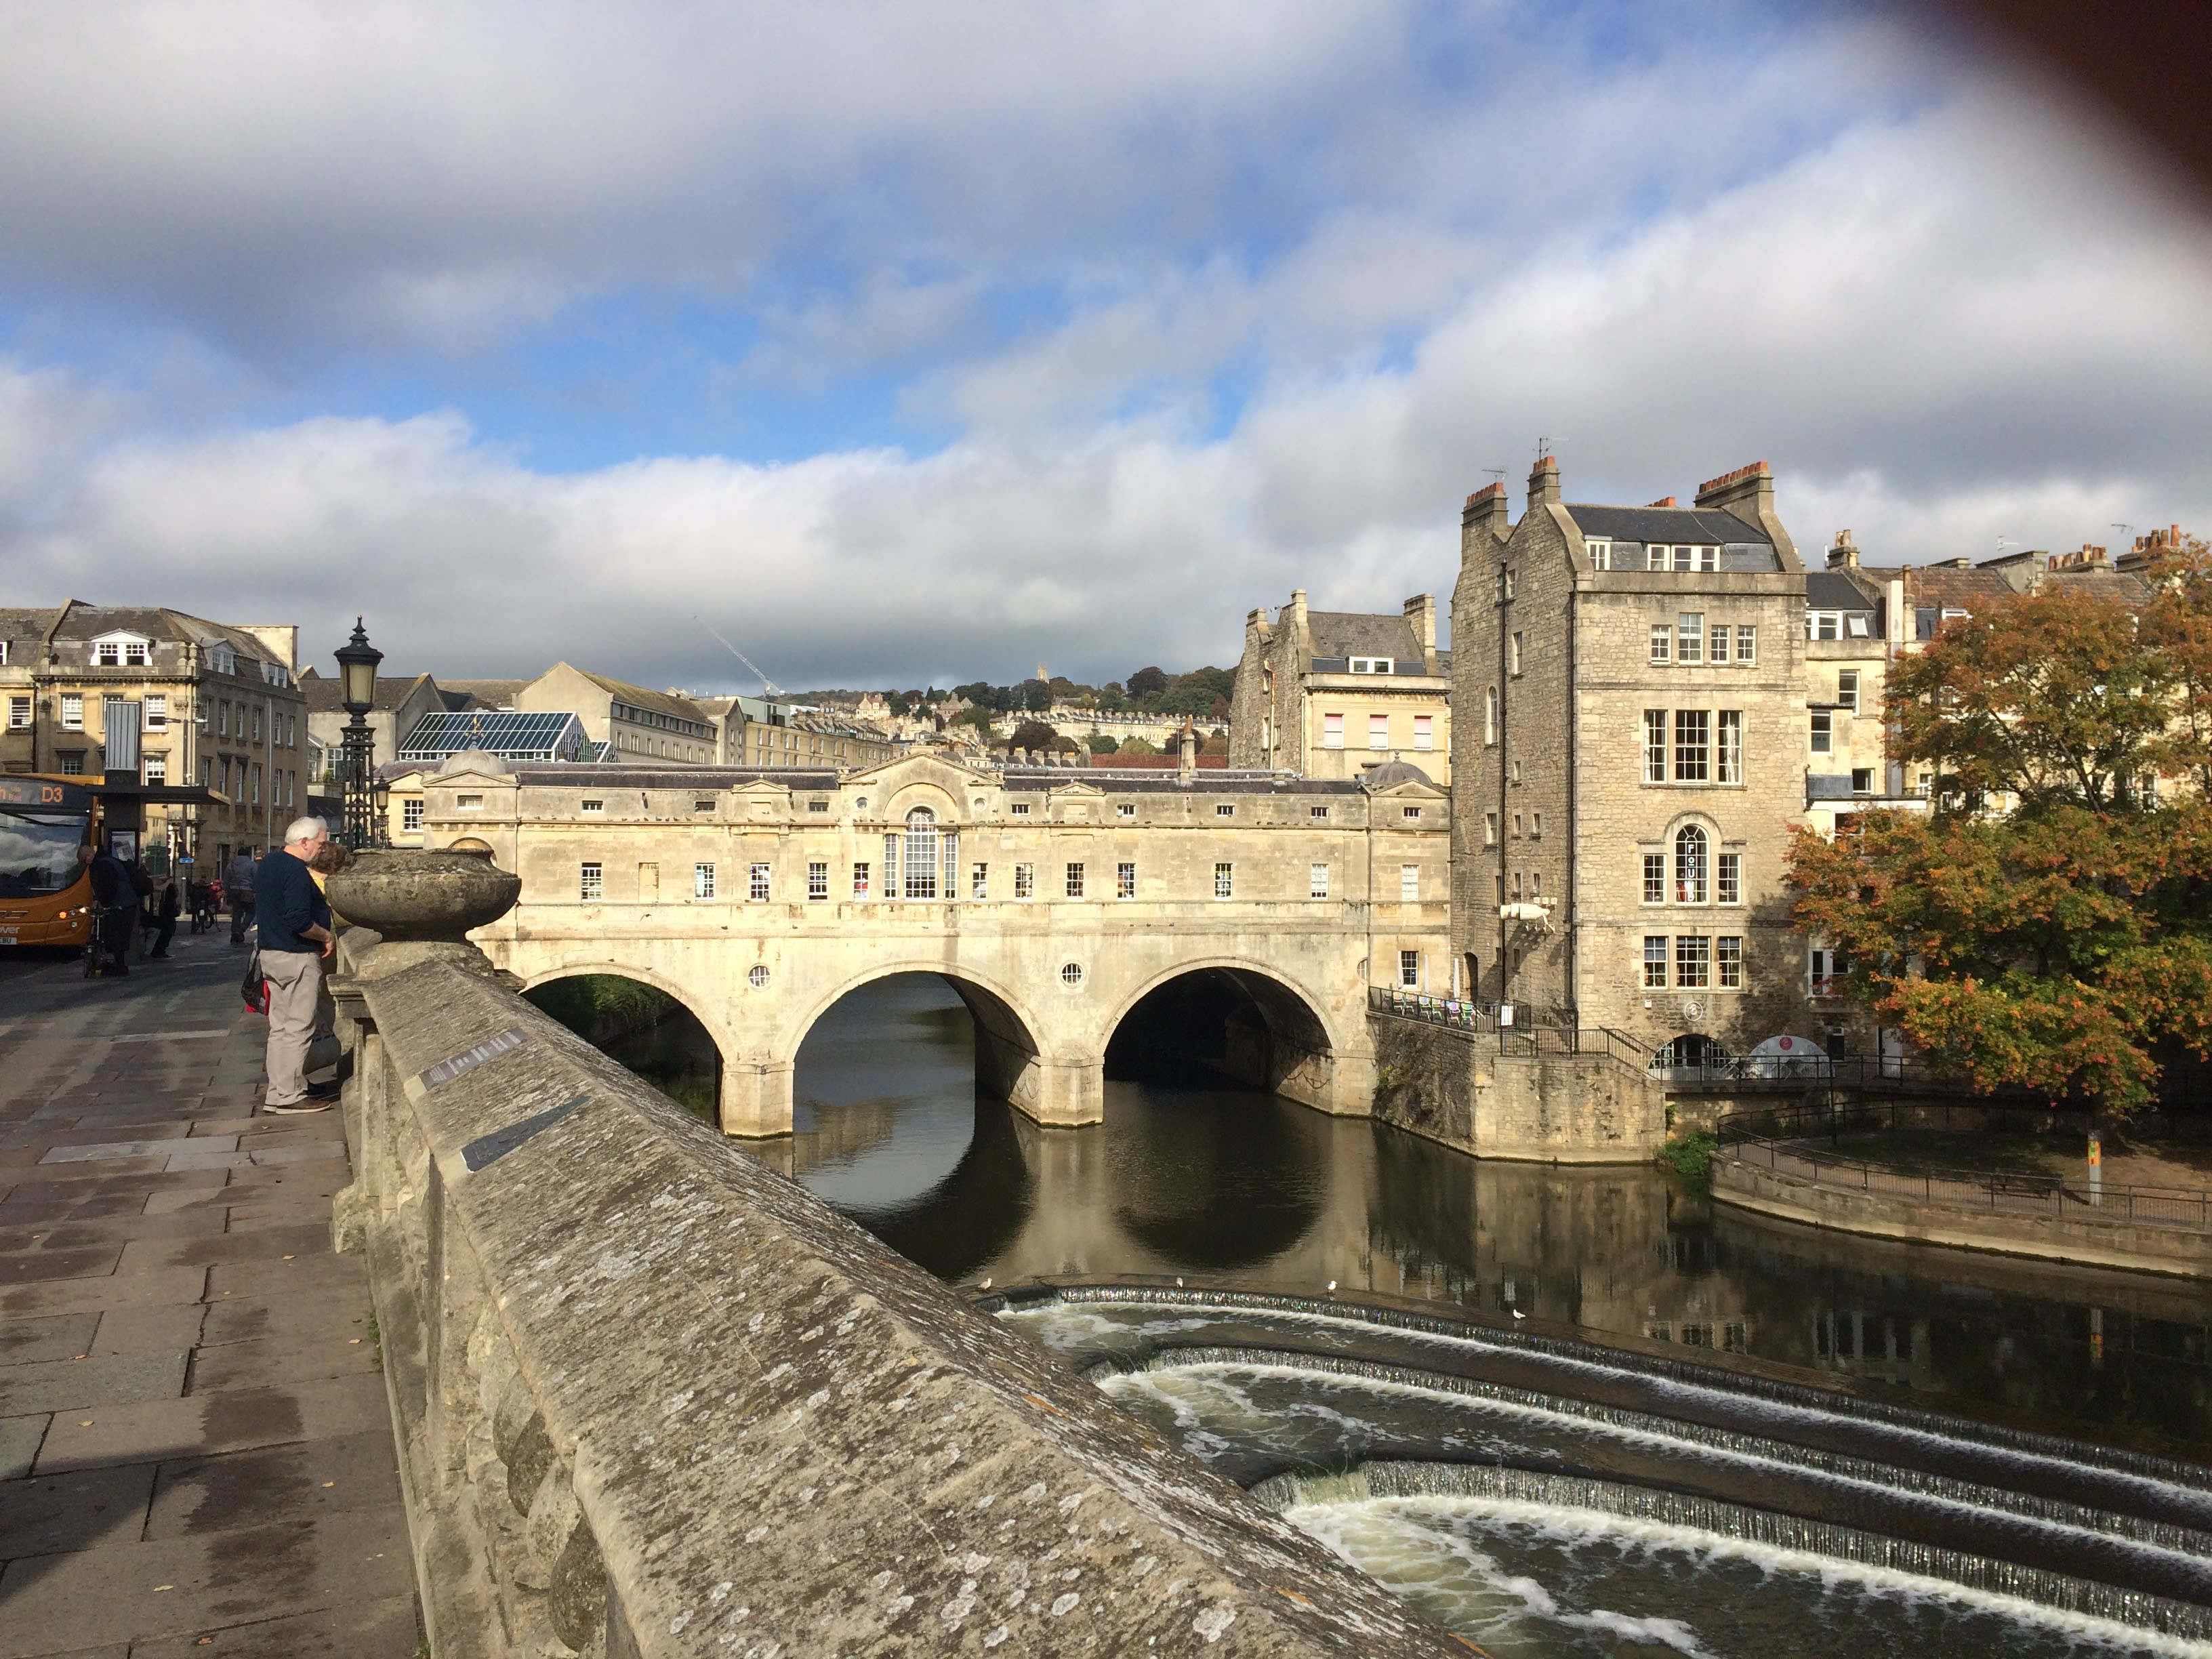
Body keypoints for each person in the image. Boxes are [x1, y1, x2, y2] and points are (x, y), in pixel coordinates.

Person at [257, 817, 336, 1113]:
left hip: (271, 953)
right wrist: (325, 935)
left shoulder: (269, 863)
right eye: (319, 844)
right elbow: (299, 920)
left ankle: (278, 1091)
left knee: (279, 1028)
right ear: (304, 842)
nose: (321, 849)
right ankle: (290, 1095)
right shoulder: (295, 872)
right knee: (299, 1028)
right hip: (296, 955)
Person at [81, 844, 132, 977]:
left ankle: (120, 967)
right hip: (125, 903)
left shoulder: (102, 864)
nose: (85, 864)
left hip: (119, 904)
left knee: (115, 936)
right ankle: (119, 966)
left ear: (88, 856)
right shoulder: (107, 860)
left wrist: (103, 901)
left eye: (84, 861)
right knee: (117, 937)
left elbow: (107, 886)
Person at [224, 846, 258, 945]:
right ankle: (241, 929)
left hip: (234, 891)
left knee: (237, 913)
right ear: (247, 855)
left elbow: (226, 880)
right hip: (247, 891)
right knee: (251, 911)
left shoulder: (231, 865)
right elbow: (257, 878)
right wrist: (256, 891)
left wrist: (228, 892)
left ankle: (234, 932)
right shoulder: (252, 865)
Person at [146, 869, 180, 958]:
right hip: (154, 913)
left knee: (169, 926)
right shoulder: (164, 888)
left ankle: (159, 951)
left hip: (160, 913)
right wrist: (168, 882)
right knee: (169, 927)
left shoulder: (167, 889)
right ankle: (159, 951)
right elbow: (160, 889)